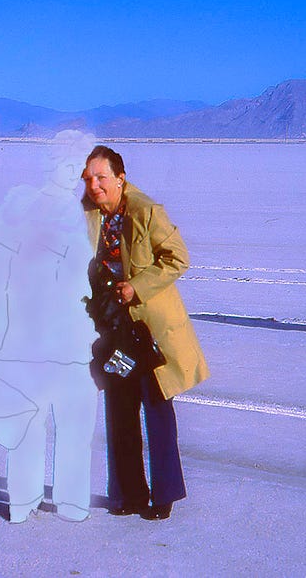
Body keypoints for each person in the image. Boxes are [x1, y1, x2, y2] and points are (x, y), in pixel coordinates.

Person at [81, 145, 209, 521]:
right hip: (111, 328)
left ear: (120, 178)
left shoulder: (146, 211)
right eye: (88, 179)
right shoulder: (87, 213)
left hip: (148, 329)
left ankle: (164, 495)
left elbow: (178, 258)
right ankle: (129, 494)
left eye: (101, 178)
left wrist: (137, 286)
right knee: (119, 407)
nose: (94, 186)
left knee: (155, 407)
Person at [0, 130, 100, 523]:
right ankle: (45, 500)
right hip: (43, 335)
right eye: (75, 165)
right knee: (50, 420)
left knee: (56, 421)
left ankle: (48, 501)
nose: (81, 176)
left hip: (56, 335)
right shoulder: (34, 207)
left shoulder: (75, 212)